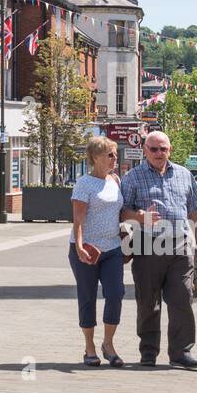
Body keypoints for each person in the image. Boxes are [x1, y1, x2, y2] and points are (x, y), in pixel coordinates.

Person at [120, 130, 197, 369]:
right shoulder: (133, 177)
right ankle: (148, 352)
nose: (159, 153)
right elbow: (121, 211)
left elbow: (195, 214)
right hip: (147, 246)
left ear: (170, 150)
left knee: (182, 300)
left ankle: (181, 352)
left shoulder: (184, 175)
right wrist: (140, 216)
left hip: (179, 247)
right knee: (148, 302)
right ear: (145, 151)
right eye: (154, 149)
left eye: (163, 149)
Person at [69, 136, 127, 367]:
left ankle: (108, 344)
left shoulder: (115, 180)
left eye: (114, 154)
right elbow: (79, 217)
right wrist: (80, 245)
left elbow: (120, 213)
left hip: (112, 248)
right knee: (87, 297)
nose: (114, 158)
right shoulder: (84, 183)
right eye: (109, 154)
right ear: (95, 157)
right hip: (87, 250)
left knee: (116, 294)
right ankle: (90, 347)